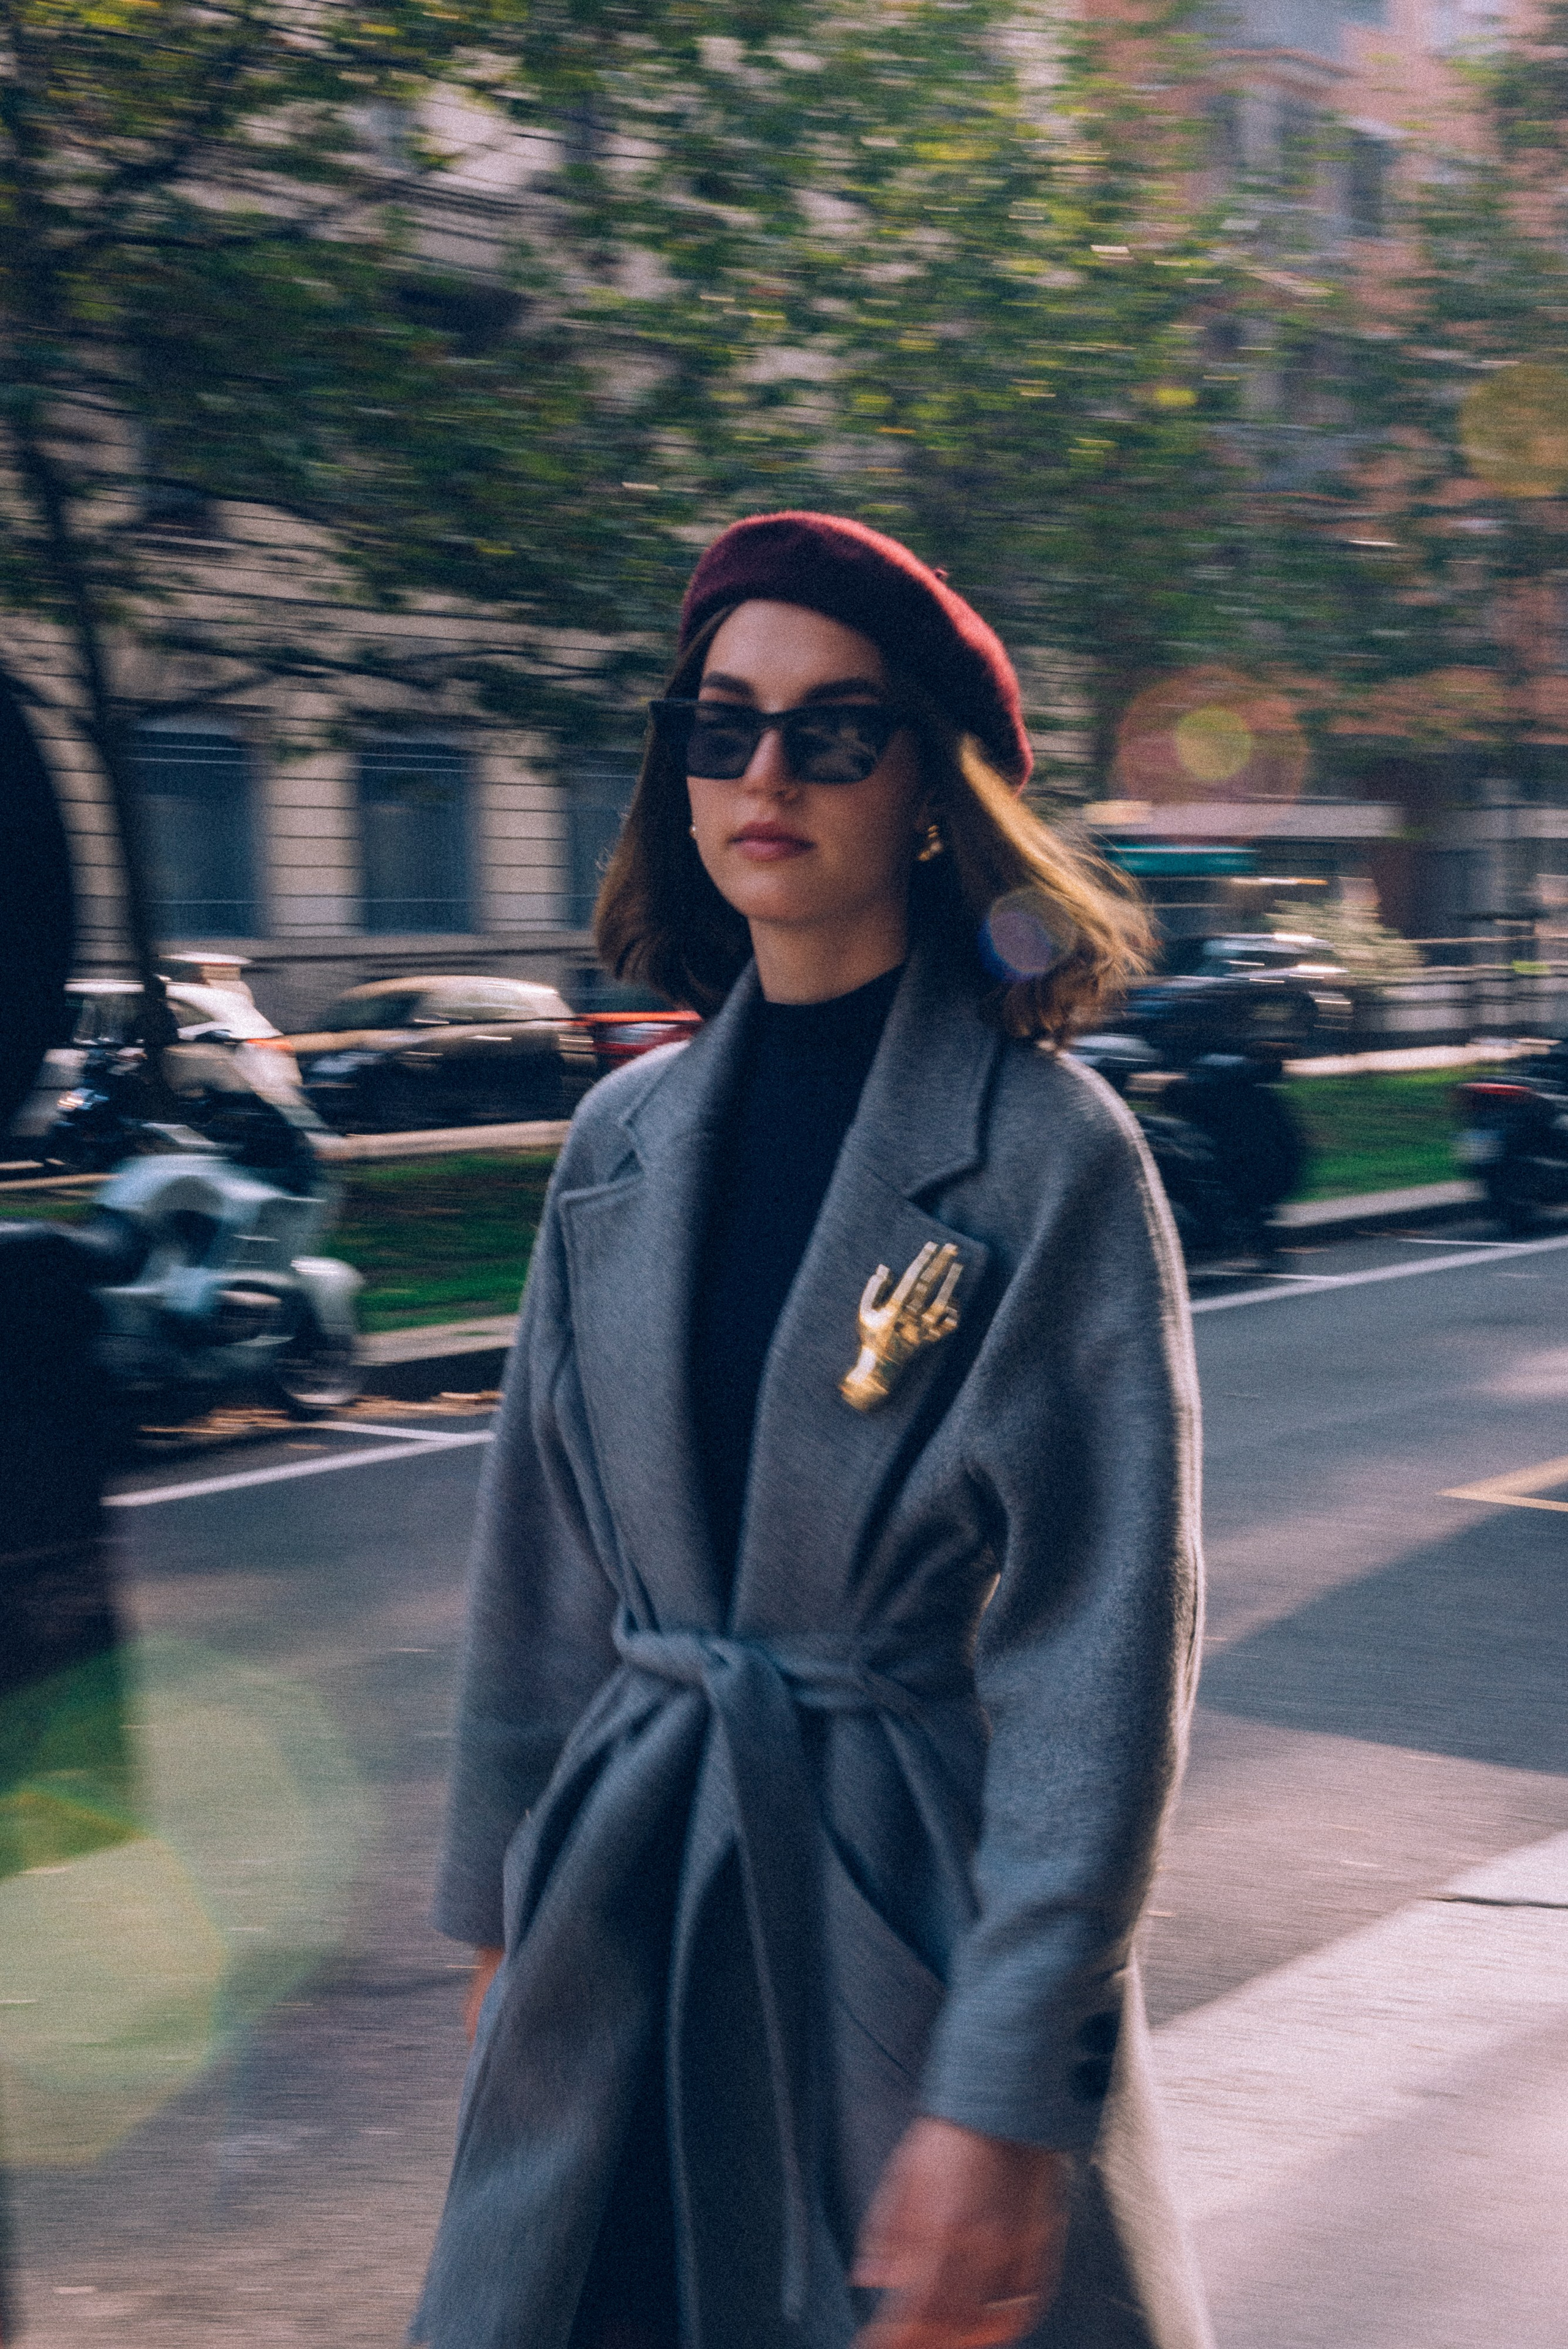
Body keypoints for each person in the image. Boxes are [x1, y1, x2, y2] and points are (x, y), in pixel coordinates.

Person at [414, 513, 1212, 2349]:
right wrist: (501, 1916)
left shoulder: (1050, 1154)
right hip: (620, 1906)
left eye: (834, 730)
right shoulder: (623, 1139)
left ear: (929, 786)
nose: (765, 770)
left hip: (901, 1929)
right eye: (723, 724)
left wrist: (1008, 2087)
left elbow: (1101, 1671)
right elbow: (538, 1572)